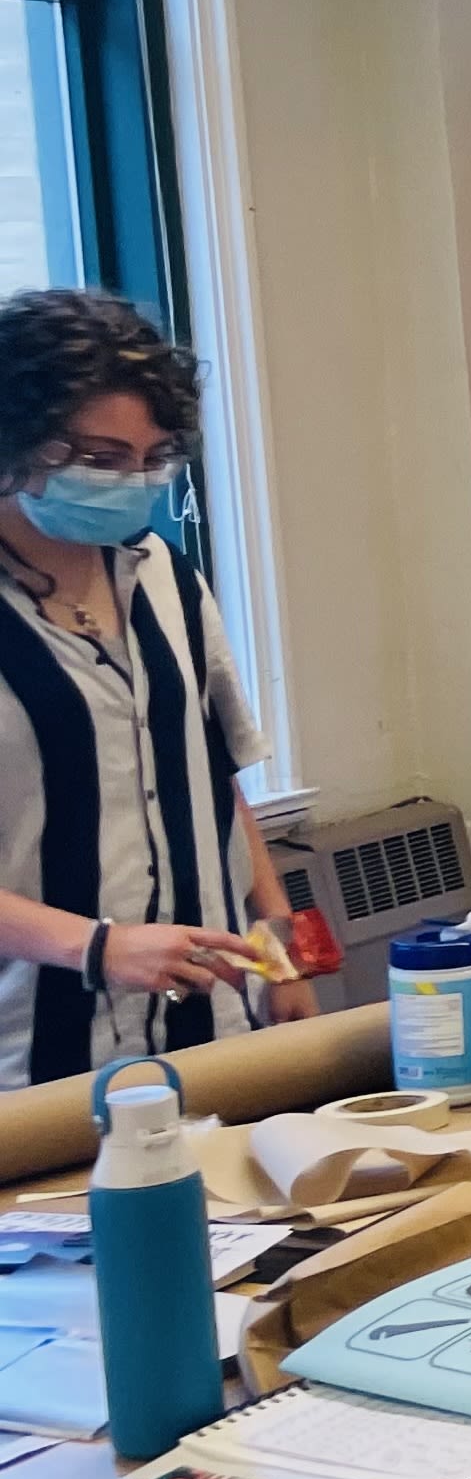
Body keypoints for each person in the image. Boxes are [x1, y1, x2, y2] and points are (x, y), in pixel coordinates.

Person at [0, 288, 310, 1084]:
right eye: (101, 459)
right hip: (38, 1057)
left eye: (153, 459)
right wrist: (98, 946)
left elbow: (215, 777)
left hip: (216, 1026)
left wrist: (280, 947)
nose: (131, 482)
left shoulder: (167, 576)